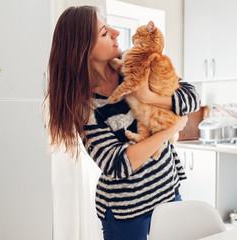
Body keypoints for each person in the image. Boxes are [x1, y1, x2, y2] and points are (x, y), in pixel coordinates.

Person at [45, 5, 200, 240]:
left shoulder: (133, 64)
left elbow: (192, 97)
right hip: (128, 213)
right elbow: (118, 164)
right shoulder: (85, 107)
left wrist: (148, 97)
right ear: (84, 49)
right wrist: (172, 128)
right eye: (104, 33)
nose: (116, 32)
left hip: (169, 194)